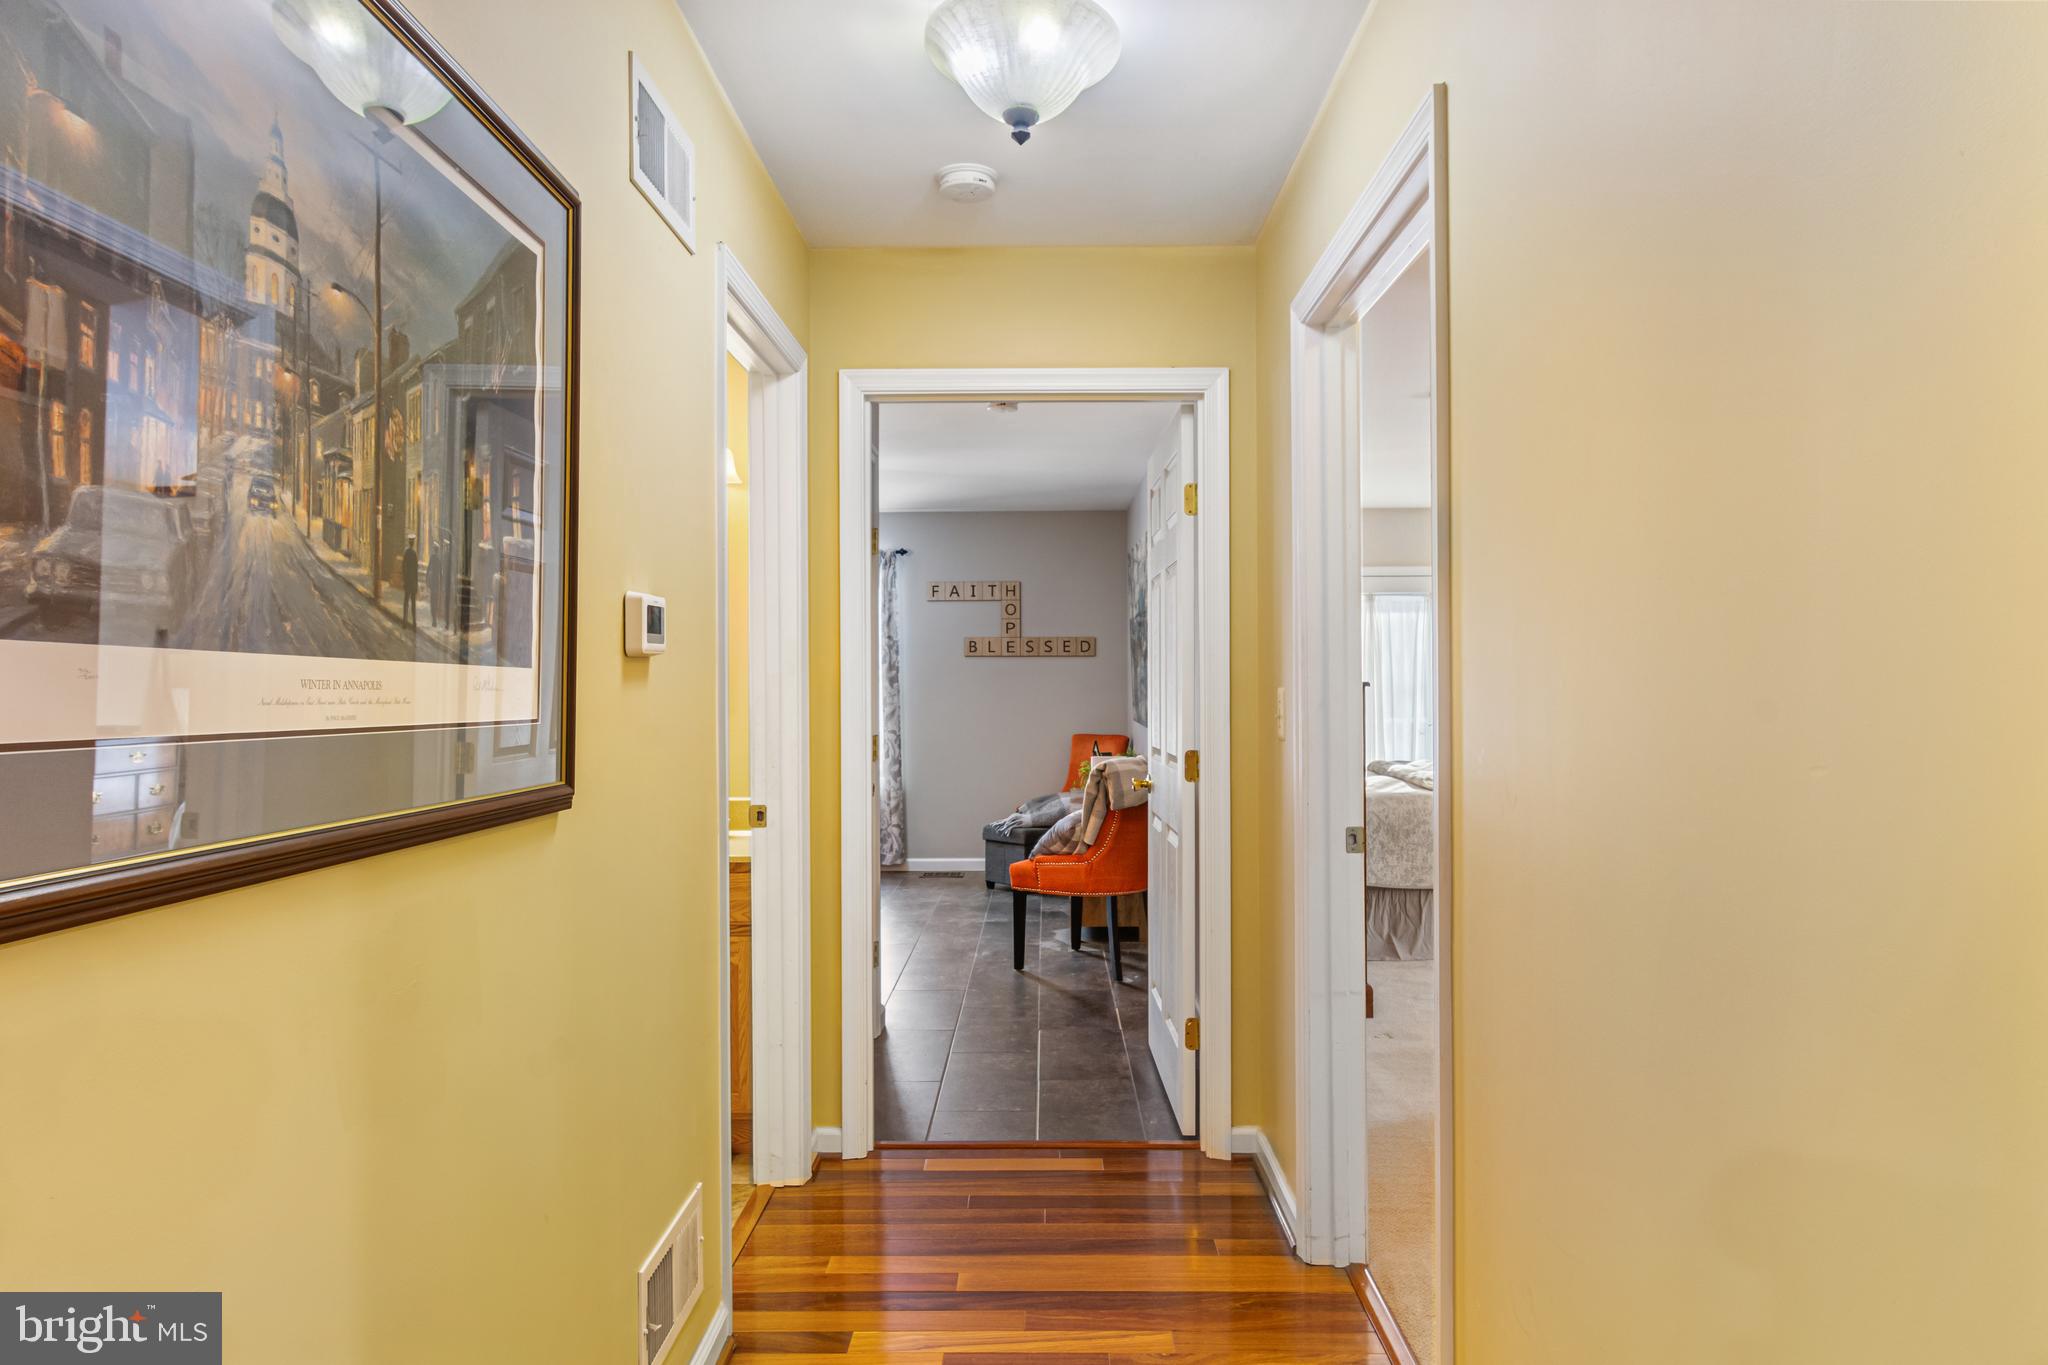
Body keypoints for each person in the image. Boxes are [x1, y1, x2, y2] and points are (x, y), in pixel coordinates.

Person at [401, 536, 419, 628]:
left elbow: (403, 568)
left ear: (409, 542)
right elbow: (416, 570)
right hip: (413, 583)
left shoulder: (406, 553)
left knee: (406, 602)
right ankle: (414, 623)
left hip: (407, 582)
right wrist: (416, 584)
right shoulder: (415, 554)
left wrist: (404, 580)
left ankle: (404, 622)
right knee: (413, 603)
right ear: (413, 543)